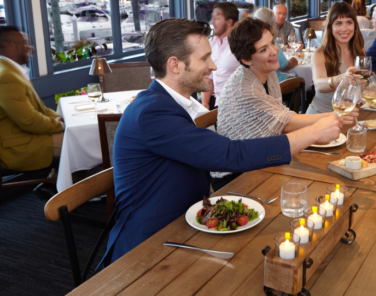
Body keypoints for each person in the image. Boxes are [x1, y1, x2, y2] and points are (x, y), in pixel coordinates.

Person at [101, 19, 345, 265]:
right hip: (150, 248)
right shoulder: (152, 113)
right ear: (174, 65)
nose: (214, 66)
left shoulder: (166, 103)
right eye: (204, 58)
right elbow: (229, 154)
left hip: (192, 224)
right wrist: (312, 133)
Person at [215, 18, 358, 190]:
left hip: (263, 158)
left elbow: (280, 115)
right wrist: (336, 115)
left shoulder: (267, 72)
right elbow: (285, 121)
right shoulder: (247, 89)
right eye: (263, 49)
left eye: (272, 43)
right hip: (236, 176)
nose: (274, 51)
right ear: (246, 59)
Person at [0, 26, 64, 172]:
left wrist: (59, 119)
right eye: (25, 44)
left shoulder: (10, 70)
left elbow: (38, 108)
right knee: (80, 142)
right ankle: (66, 191)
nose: (31, 48)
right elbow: (29, 121)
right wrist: (59, 125)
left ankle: (57, 186)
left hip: (26, 136)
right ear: (14, 46)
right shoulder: (7, 77)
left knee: (78, 139)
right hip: (18, 146)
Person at [306, 2, 365, 114]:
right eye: (338, 23)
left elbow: (363, 84)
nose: (344, 28)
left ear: (355, 26)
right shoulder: (319, 54)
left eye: (349, 22)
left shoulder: (360, 51)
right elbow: (319, 85)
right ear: (330, 27)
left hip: (349, 114)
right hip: (322, 116)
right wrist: (341, 79)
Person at [201, 2, 240, 110]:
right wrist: (205, 103)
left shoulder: (240, 44)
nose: (212, 22)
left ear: (229, 21)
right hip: (217, 102)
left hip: (237, 105)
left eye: (216, 18)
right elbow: (209, 76)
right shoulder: (211, 42)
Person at [254, 7, 297, 82]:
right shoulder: (271, 41)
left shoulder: (252, 40)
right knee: (301, 80)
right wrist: (294, 62)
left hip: (258, 81)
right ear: (269, 22)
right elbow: (284, 66)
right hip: (275, 82)